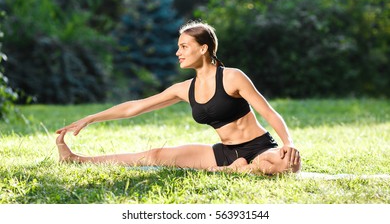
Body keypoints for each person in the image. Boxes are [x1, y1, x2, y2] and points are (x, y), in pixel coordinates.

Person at [55, 21, 301, 175]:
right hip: (225, 153)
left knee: (284, 164)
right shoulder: (184, 88)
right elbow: (135, 108)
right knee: (154, 156)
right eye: (178, 47)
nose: (177, 52)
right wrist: (91, 118)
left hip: (259, 148)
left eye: (184, 46)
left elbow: (269, 113)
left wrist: (287, 142)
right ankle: (76, 160)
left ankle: (236, 172)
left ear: (203, 48)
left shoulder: (232, 77)